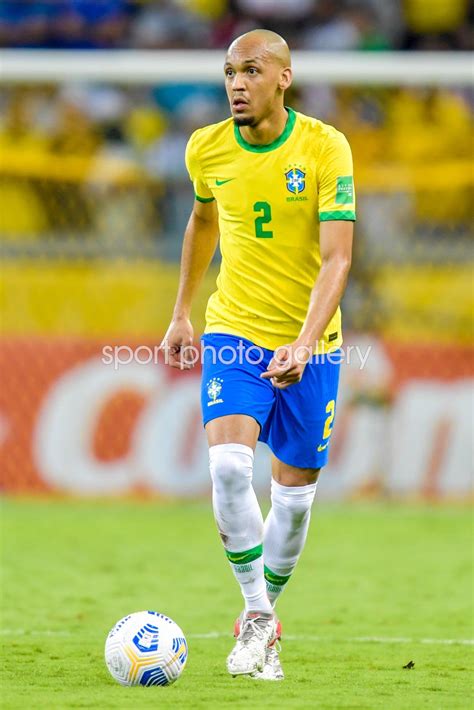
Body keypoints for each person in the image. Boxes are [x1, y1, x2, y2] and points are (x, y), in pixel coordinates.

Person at [161, 29, 355, 681]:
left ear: (283, 78)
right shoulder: (206, 148)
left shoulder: (326, 148)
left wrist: (304, 341)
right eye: (228, 72)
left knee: (293, 502)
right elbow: (203, 221)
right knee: (225, 468)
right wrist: (182, 311)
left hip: (312, 345)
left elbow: (339, 258)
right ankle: (258, 618)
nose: (236, 83)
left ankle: (260, 620)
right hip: (233, 334)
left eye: (251, 70)